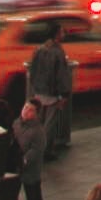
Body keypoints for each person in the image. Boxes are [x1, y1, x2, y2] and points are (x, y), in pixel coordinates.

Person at [29, 27, 77, 158]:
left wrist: (35, 87)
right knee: (50, 124)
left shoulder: (40, 49)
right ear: (56, 35)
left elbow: (33, 70)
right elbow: (61, 74)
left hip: (39, 90)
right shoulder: (57, 52)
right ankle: (46, 151)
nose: (64, 34)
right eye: (62, 32)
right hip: (52, 93)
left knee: (39, 121)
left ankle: (35, 147)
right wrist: (64, 94)